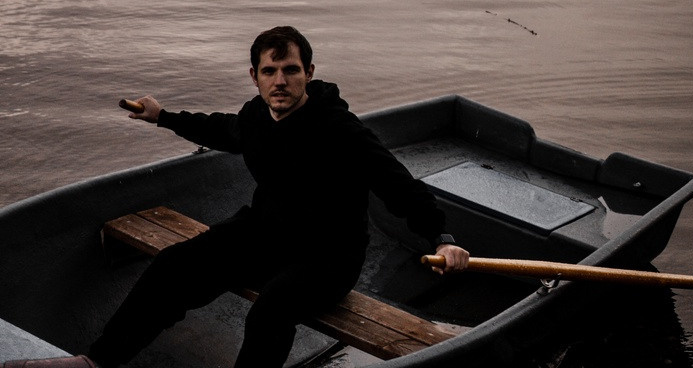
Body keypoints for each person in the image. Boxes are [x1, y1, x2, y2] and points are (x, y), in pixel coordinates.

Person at [87, 26, 469, 368]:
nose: (280, 81)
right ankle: (97, 360)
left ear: (309, 73)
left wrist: (441, 238)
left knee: (271, 312)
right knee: (174, 266)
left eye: (291, 70)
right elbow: (223, 129)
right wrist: (165, 116)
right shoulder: (257, 116)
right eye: (269, 71)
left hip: (330, 256)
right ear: (255, 77)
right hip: (266, 234)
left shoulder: (340, 130)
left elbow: (396, 183)